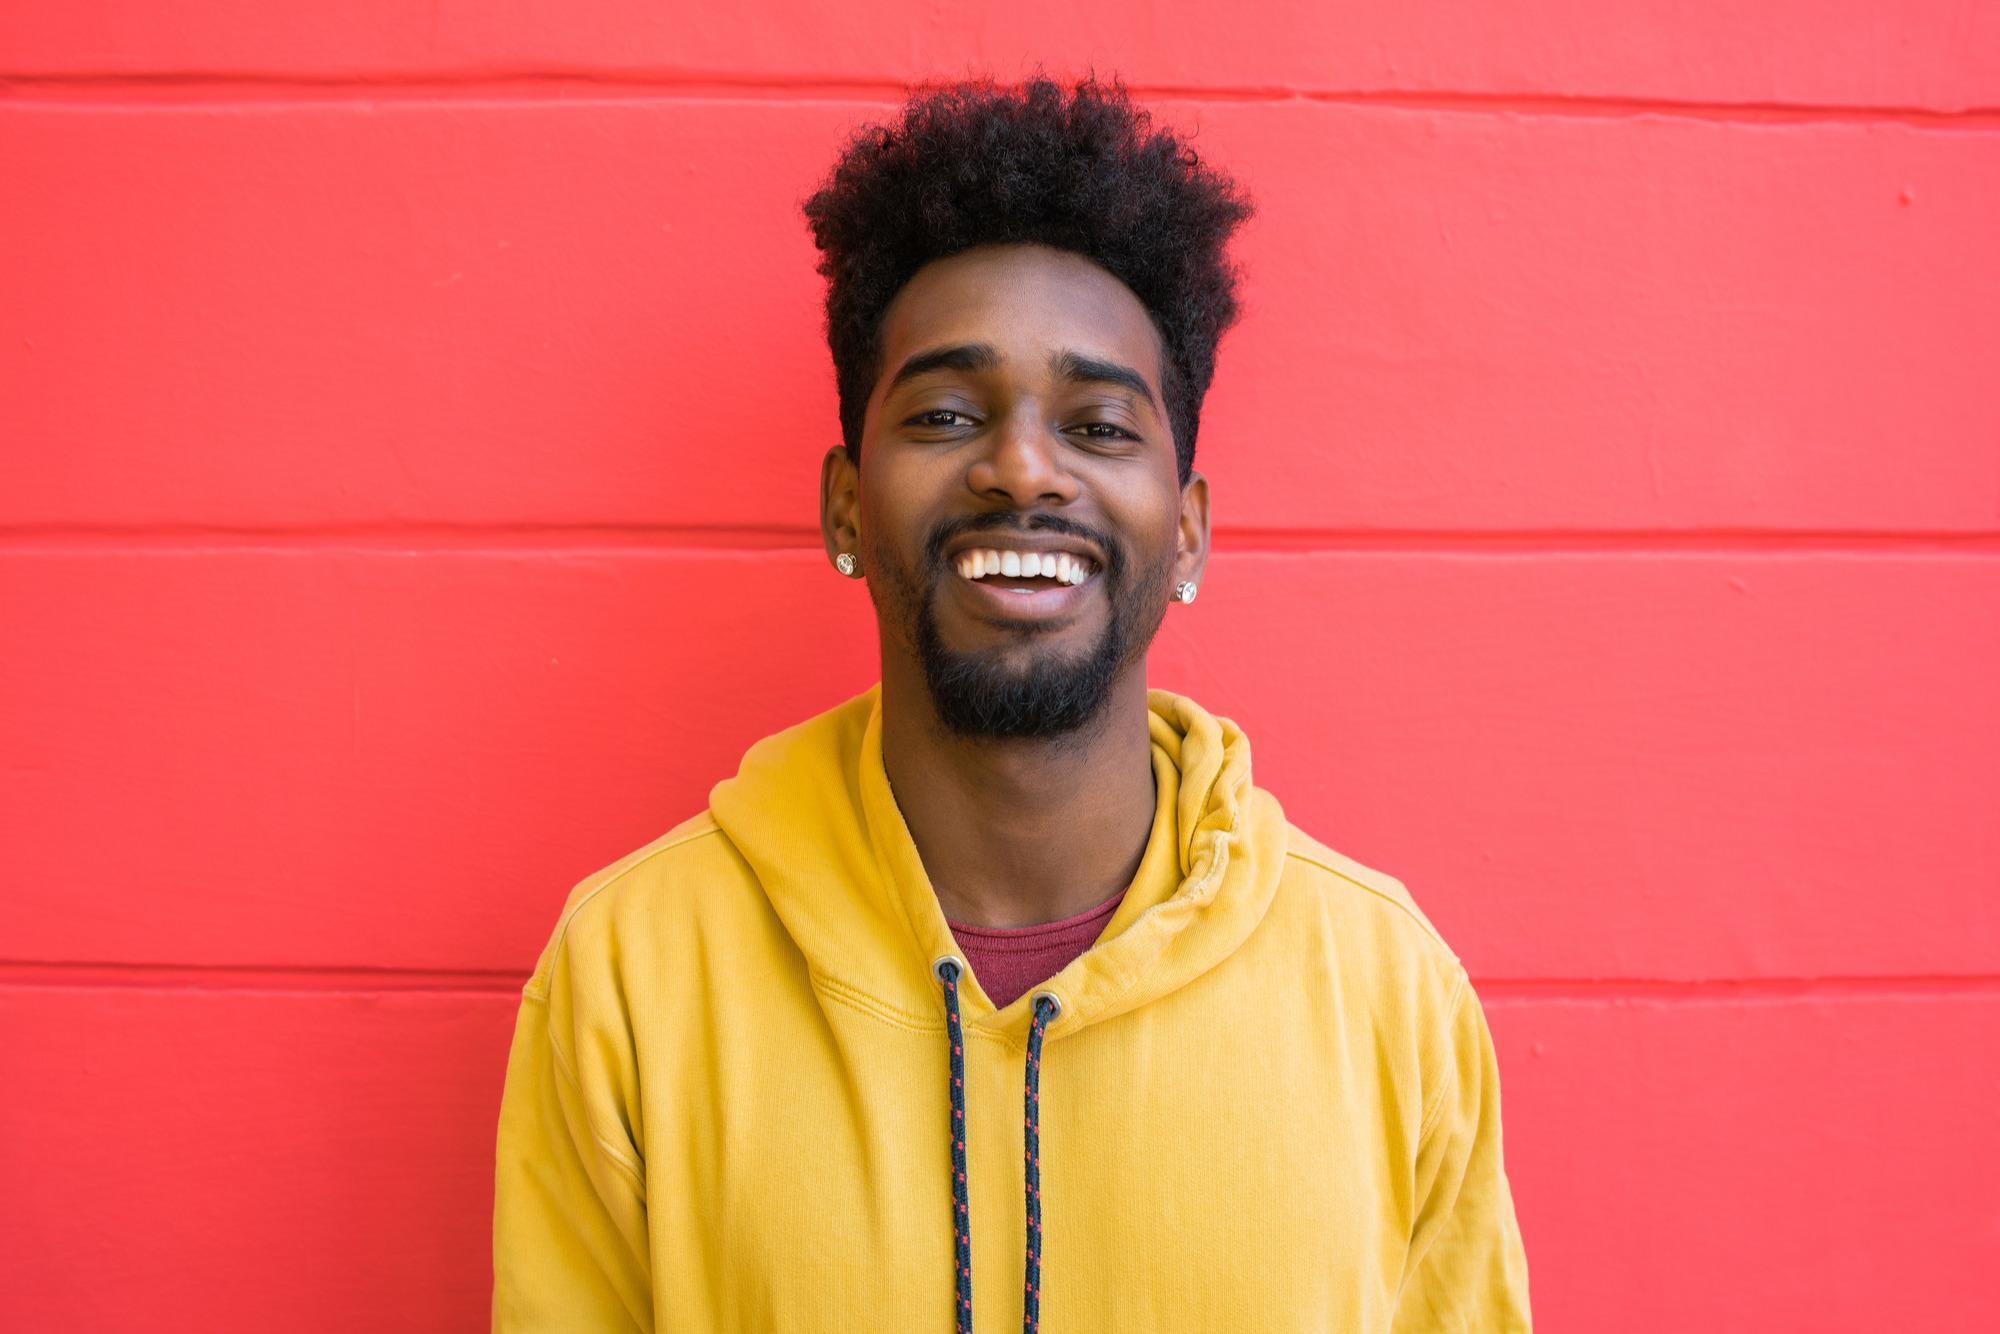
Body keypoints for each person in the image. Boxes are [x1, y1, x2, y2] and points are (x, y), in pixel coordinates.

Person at [492, 73, 1531, 1332]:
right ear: (843, 505)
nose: (1021, 467)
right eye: (942, 412)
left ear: (1188, 532)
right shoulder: (634, 970)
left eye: (1097, 426)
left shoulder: (1384, 988)